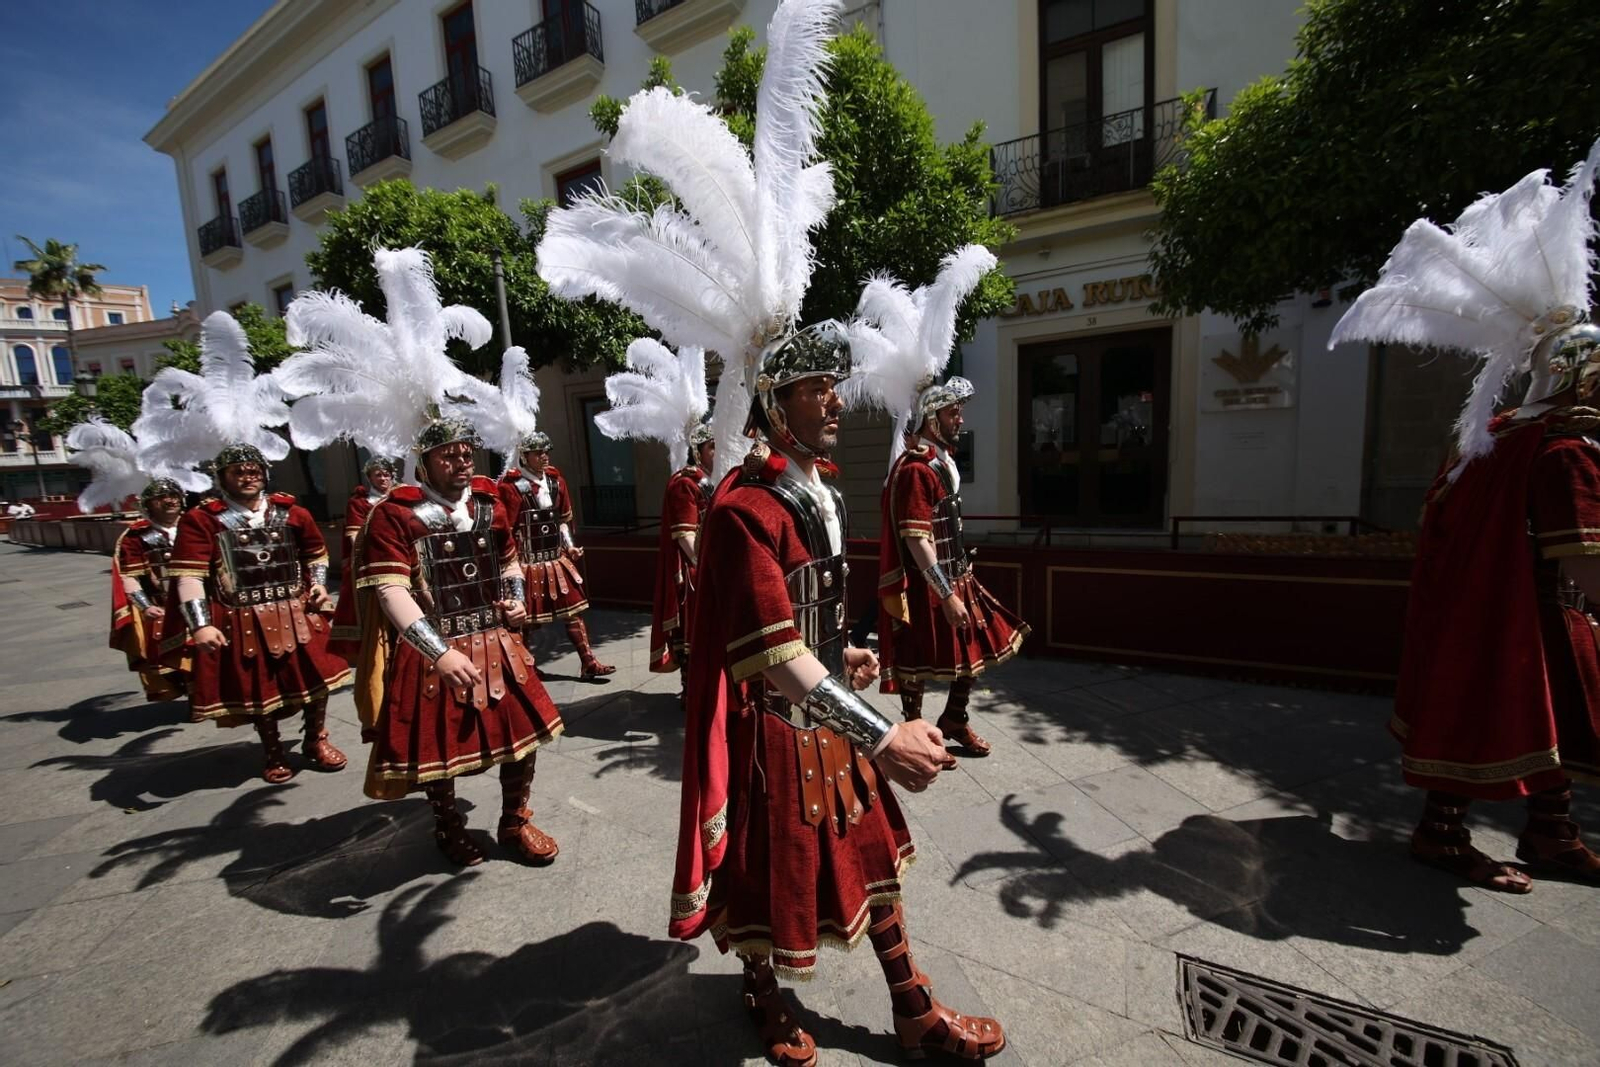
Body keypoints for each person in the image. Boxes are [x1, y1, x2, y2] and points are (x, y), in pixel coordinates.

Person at [537, 3, 1006, 1055]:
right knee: (770, 870)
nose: (838, 401)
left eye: (837, 387)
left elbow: (816, 618)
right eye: (818, 389)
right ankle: (767, 993)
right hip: (776, 727)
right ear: (778, 398)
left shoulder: (817, 489)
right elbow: (774, 649)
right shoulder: (745, 506)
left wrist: (857, 645)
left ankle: (912, 1006)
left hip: (823, 708)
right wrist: (877, 724)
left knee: (874, 857)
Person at [1329, 137, 1600, 892]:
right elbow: (1582, 558)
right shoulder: (1553, 447)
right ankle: (1459, 833)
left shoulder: (1499, 439)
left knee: (1533, 727)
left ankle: (1551, 831)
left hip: (1494, 609)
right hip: (1524, 613)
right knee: (1506, 719)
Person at [135, 311, 352, 783]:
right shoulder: (202, 520)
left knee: (317, 682)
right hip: (242, 615)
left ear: (264, 473)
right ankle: (273, 748)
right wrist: (199, 624)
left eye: (254, 469)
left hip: (295, 608)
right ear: (223, 477)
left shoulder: (290, 511)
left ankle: (316, 737)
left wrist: (318, 588)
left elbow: (315, 554)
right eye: (238, 471)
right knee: (261, 690)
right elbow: (189, 575)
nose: (248, 475)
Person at [347, 419, 564, 865]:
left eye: (466, 453)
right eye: (448, 454)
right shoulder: (394, 513)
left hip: (494, 638)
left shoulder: (489, 502)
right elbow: (391, 592)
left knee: (523, 736)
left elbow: (509, 563)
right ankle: (448, 826)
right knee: (439, 750)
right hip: (433, 647)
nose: (461, 462)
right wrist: (439, 653)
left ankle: (514, 820)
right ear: (423, 463)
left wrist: (516, 601)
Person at [844, 246, 1028, 758]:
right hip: (927, 582)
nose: (960, 419)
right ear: (931, 417)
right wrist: (945, 591)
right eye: (953, 412)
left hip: (956, 572)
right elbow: (916, 537)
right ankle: (916, 733)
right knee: (916, 662)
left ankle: (954, 719)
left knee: (972, 653)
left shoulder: (940, 460)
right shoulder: (914, 468)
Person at [499, 433, 615, 680]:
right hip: (527, 563)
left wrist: (570, 547)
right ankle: (526, 666)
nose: (544, 456)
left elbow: (562, 521)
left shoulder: (556, 482)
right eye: (537, 452)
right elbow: (506, 530)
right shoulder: (510, 487)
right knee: (526, 619)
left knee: (573, 611)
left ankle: (588, 662)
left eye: (545, 451)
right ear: (524, 455)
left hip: (555, 557)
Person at [110, 480, 192, 702]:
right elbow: (129, 575)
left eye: (174, 495)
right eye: (161, 498)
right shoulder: (136, 536)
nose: (170, 500)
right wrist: (145, 606)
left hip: (203, 600)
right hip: (162, 605)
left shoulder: (196, 525)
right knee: (170, 660)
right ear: (148, 504)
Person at [329, 457, 397, 654]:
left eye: (386, 474)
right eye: (378, 475)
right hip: (375, 559)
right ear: (369, 478)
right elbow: (354, 536)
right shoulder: (359, 503)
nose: (383, 478)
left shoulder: (401, 496)